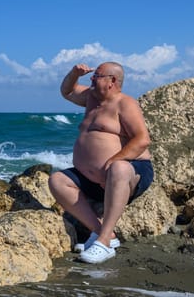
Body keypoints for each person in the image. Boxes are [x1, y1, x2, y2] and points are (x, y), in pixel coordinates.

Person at [48, 61, 154, 264]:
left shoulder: (125, 103)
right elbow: (67, 91)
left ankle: (103, 243)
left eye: (96, 76)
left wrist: (112, 162)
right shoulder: (90, 97)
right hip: (94, 182)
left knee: (120, 168)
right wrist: (74, 73)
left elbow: (142, 139)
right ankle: (104, 234)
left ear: (112, 81)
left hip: (130, 174)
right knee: (57, 180)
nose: (92, 79)